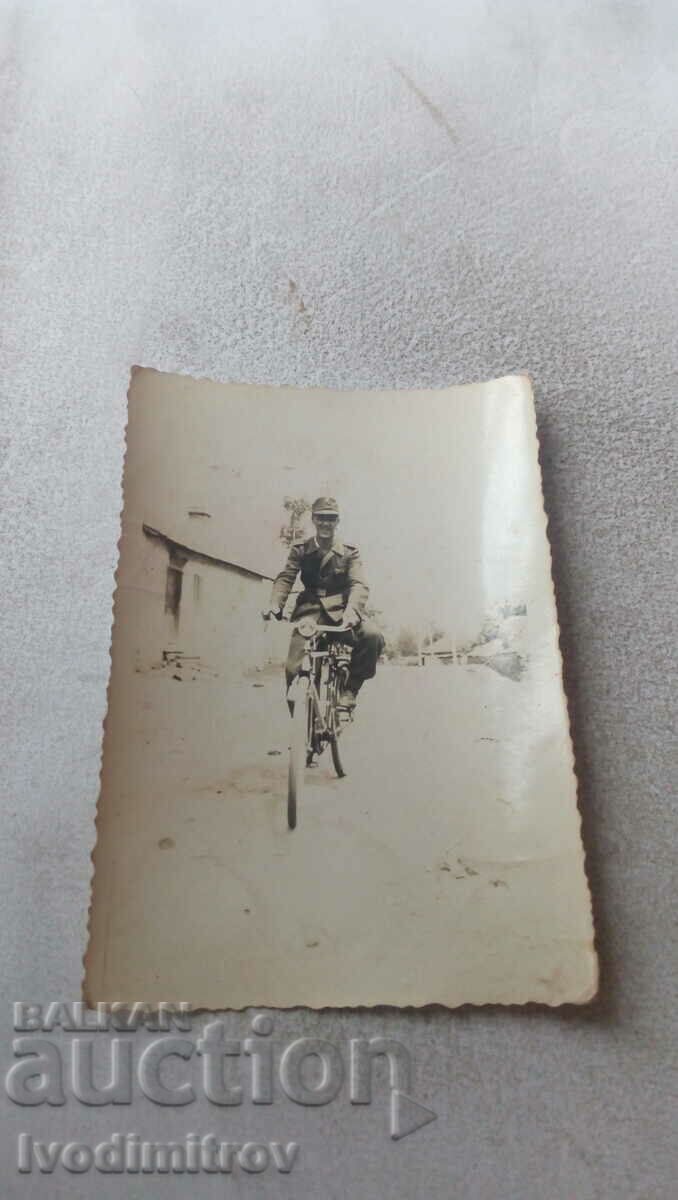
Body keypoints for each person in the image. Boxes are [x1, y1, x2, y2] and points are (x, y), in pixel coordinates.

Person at [264, 497, 384, 708]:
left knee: (373, 636)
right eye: (321, 518)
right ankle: (300, 723)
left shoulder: (349, 552)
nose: (326, 524)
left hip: (342, 613)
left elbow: (359, 584)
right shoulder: (301, 549)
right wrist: (275, 605)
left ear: (337, 522)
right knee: (294, 669)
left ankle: (350, 690)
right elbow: (286, 577)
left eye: (331, 519)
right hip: (309, 613)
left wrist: (351, 613)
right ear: (313, 520)